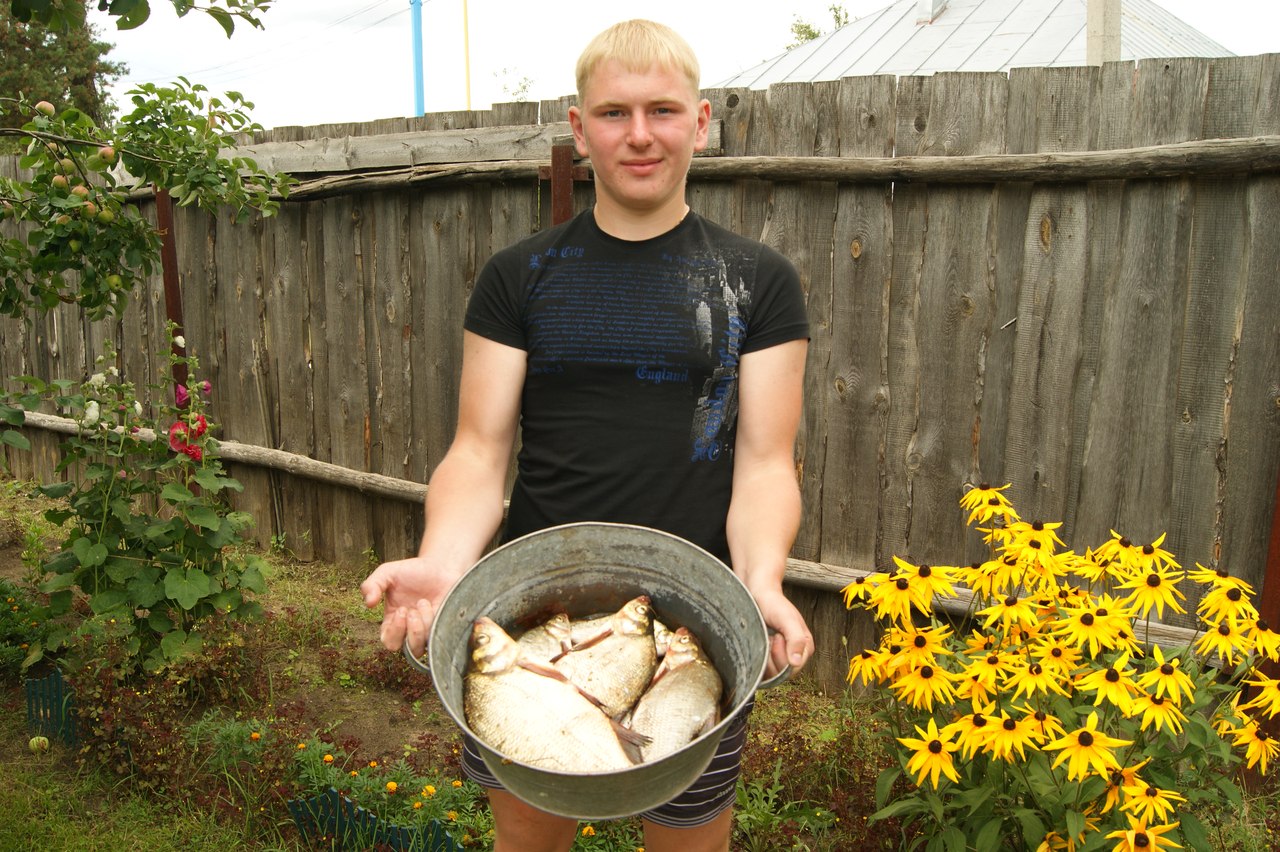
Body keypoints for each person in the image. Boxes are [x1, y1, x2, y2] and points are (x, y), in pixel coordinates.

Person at [360, 19, 813, 852]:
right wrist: (448, 561)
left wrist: (760, 580)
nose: (639, 135)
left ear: (701, 122)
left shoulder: (758, 282)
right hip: (539, 622)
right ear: (579, 129)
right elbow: (478, 450)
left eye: (662, 111)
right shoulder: (519, 277)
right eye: (613, 113)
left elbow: (764, 463)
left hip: (691, 630)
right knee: (530, 837)